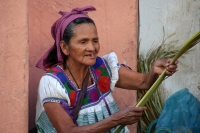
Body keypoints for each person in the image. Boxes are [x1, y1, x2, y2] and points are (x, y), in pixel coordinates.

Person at [35, 5, 178, 133]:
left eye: (95, 40)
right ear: (65, 47)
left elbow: (143, 82)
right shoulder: (52, 83)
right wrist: (116, 120)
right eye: (83, 42)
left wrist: (154, 72)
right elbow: (67, 131)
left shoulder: (102, 67)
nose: (92, 48)